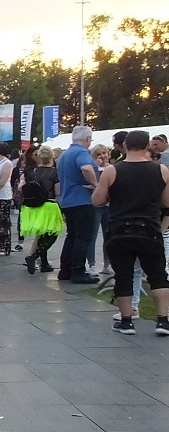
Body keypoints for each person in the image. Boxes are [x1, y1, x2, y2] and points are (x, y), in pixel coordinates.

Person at [92, 130, 169, 336]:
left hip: (120, 229)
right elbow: (167, 202)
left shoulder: (111, 171)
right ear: (147, 147)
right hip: (149, 228)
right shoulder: (161, 170)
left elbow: (97, 200)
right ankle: (163, 321)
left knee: (124, 276)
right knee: (158, 275)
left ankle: (126, 321)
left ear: (125, 145)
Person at [56, 126, 100, 284]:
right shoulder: (82, 152)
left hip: (67, 199)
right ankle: (78, 271)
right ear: (87, 139)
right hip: (82, 200)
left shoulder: (64, 154)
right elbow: (87, 168)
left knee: (72, 236)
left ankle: (65, 270)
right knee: (83, 237)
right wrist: (96, 185)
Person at [19, 145, 64, 274]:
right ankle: (33, 257)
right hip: (49, 206)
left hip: (33, 207)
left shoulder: (31, 171)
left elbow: (21, 187)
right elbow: (57, 192)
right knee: (51, 235)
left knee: (41, 234)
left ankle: (43, 263)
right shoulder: (54, 172)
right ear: (52, 157)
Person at [89, 145, 112, 274]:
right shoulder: (92, 167)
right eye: (98, 154)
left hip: (109, 205)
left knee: (108, 235)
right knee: (92, 235)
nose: (102, 156)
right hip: (95, 206)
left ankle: (107, 264)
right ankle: (91, 264)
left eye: (104, 153)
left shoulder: (112, 168)